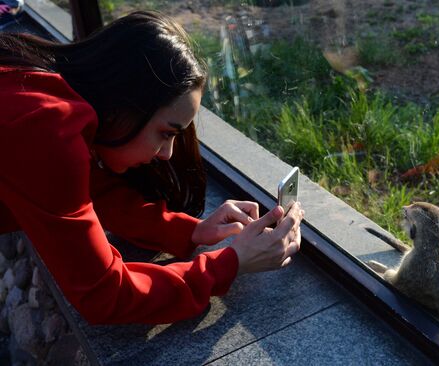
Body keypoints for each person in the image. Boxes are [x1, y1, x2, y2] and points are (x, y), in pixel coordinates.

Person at [0, 10, 304, 324]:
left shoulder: (39, 86)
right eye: (166, 133)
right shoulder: (45, 130)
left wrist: (191, 230)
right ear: (125, 103)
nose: (167, 154)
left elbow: (87, 192)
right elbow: (106, 295)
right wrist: (231, 263)